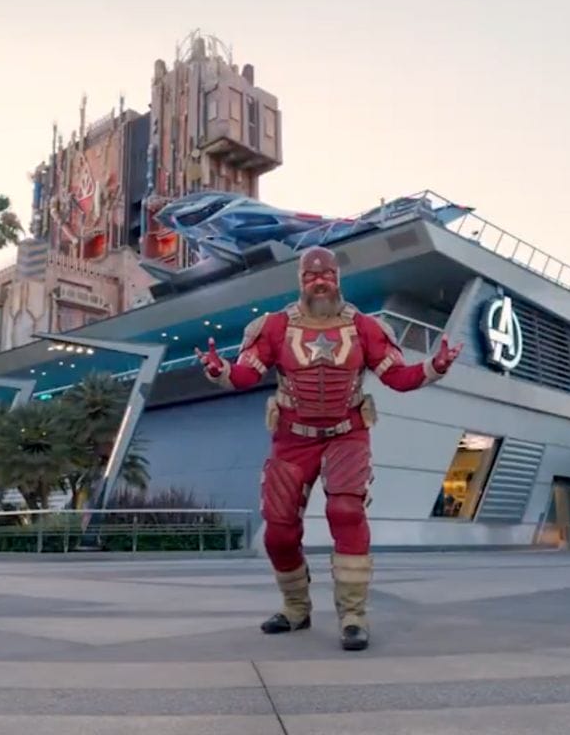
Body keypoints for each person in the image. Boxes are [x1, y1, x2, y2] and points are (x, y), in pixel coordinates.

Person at [196, 246, 461, 651]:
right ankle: (295, 607)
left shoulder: (366, 328)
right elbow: (248, 373)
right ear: (300, 281)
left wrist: (435, 366)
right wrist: (220, 371)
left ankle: (353, 615)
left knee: (346, 510)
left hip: (346, 432)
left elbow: (399, 377)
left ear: (338, 279)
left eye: (326, 275)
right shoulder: (275, 327)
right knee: (278, 534)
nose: (319, 282)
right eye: (309, 276)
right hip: (292, 436)